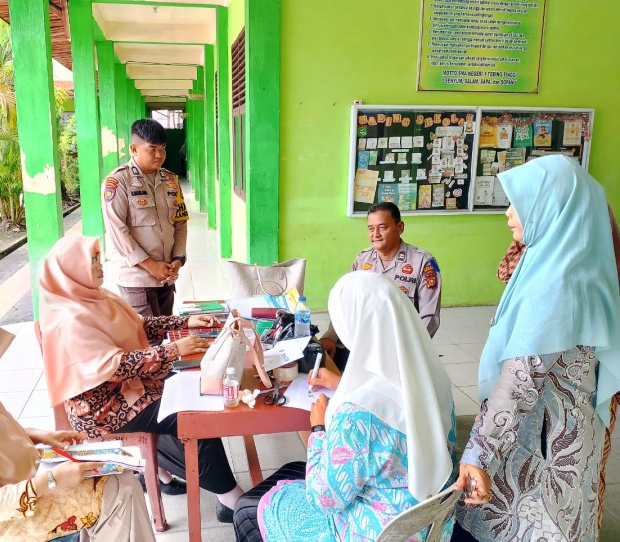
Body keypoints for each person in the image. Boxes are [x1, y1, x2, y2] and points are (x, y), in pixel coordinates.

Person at [453, 155, 620, 541]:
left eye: (519, 203)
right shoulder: (577, 267)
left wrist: (478, 454)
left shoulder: (556, 285)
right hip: (569, 431)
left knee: (531, 522)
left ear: (551, 207)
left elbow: (519, 382)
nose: (508, 213)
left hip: (542, 440)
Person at [233, 272, 456, 541]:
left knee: (247, 510)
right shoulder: (432, 383)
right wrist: (341, 384)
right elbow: (395, 406)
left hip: (374, 531)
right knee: (290, 473)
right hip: (427, 524)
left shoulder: (355, 416)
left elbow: (324, 500)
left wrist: (318, 429)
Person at [38, 235, 244, 523]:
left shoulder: (95, 297)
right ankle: (231, 500)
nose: (100, 267)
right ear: (71, 269)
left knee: (187, 385)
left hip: (125, 388)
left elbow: (139, 325)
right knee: (194, 412)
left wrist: (184, 322)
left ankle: (161, 473)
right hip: (104, 409)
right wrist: (173, 350)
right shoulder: (69, 318)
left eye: (99, 258)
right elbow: (112, 367)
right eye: (92, 261)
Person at [0, 309, 154, 541]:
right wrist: (53, 480)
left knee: (118, 478)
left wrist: (39, 435)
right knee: (117, 490)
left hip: (3, 495)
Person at [319, 201, 442, 371]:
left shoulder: (422, 262)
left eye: (382, 227)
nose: (375, 234)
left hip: (399, 349)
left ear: (400, 227)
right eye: (371, 228)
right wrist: (331, 336)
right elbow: (345, 303)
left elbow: (429, 318)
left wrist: (407, 351)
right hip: (360, 345)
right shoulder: (363, 260)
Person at [102, 118, 188, 319]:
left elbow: (180, 222)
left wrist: (178, 259)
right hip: (137, 280)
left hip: (166, 275)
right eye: (152, 149)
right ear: (134, 148)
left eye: (163, 148)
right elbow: (117, 231)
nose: (159, 155)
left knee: (165, 332)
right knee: (147, 342)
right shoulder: (118, 181)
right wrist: (150, 265)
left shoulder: (170, 180)